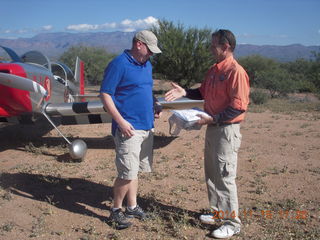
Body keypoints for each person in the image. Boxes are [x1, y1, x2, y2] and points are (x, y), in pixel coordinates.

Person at [165, 29, 250, 239]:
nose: (211, 49)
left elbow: (238, 108)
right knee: (212, 173)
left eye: (214, 46)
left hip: (226, 130)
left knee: (224, 176)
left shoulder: (235, 72)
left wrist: (213, 119)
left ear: (226, 47)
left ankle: (232, 222)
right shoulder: (214, 70)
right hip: (213, 128)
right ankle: (217, 212)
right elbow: (202, 92)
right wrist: (185, 92)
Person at [100, 30, 162, 229]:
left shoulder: (147, 64)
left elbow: (145, 89)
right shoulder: (119, 64)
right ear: (138, 44)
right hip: (128, 128)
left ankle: (132, 206)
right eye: (149, 50)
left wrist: (155, 105)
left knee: (134, 171)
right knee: (126, 172)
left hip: (146, 127)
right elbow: (105, 95)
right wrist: (121, 121)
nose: (151, 54)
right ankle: (116, 211)